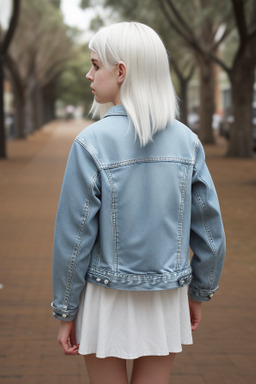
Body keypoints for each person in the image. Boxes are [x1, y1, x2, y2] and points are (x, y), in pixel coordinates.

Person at [52, 22, 225, 384]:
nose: (88, 74)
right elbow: (210, 231)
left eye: (95, 65)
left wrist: (66, 309)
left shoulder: (90, 143)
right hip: (166, 296)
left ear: (121, 71)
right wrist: (199, 291)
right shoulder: (187, 142)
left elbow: (75, 237)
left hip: (106, 296)